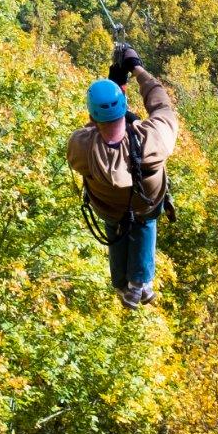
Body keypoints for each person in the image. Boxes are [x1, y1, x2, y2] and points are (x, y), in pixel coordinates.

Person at [67, 42, 178, 308]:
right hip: (145, 202)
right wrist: (137, 69)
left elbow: (91, 127)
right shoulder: (152, 140)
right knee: (144, 219)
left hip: (109, 208)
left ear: (93, 116)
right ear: (124, 108)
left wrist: (112, 86)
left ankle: (122, 283)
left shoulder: (81, 147)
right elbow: (162, 106)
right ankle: (141, 282)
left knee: (117, 222)